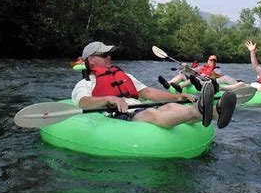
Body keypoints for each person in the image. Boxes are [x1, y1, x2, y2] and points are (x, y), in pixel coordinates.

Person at [72, 41, 236, 129]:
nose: (109, 57)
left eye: (109, 54)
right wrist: (110, 99)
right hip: (119, 117)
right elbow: (83, 102)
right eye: (104, 54)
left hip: (137, 109)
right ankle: (203, 111)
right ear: (91, 60)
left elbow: (148, 92)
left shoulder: (125, 76)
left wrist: (178, 96)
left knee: (170, 107)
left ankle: (214, 112)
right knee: (151, 113)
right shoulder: (85, 83)